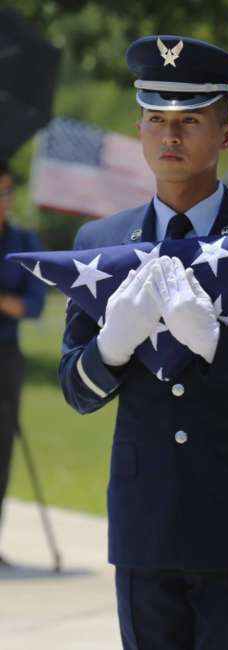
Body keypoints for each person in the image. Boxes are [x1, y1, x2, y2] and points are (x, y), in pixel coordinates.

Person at [57, 36, 228, 650]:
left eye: (190, 122)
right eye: (156, 120)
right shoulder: (100, 242)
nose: (170, 137)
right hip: (146, 520)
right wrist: (111, 348)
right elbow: (75, 390)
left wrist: (218, 345)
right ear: (139, 130)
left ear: (227, 137)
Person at [0, 162, 46, 565]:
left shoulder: (23, 241)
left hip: (5, 357)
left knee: (1, 449)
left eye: (5, 194)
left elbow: (31, 305)